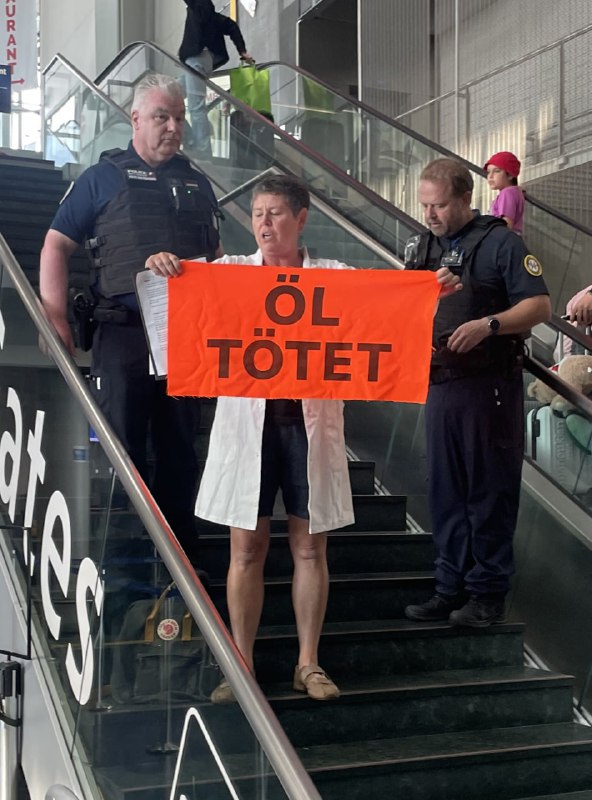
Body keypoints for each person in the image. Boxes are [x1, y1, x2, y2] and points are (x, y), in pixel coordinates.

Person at [145, 174, 460, 702]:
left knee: (310, 547)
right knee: (245, 548)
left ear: (301, 218)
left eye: (276, 213)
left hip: (307, 426)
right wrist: (162, 267)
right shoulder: (231, 275)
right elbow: (179, 300)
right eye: (258, 214)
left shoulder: (331, 277)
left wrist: (427, 290)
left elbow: (379, 305)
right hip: (250, 425)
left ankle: (308, 663)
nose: (265, 224)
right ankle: (240, 665)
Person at [39, 73, 222, 567]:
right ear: (135, 119)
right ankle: (122, 557)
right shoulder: (102, 178)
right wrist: (52, 319)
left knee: (181, 450)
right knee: (123, 448)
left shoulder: (197, 182)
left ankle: (181, 558)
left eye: (179, 118)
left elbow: (220, 260)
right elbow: (57, 244)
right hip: (123, 333)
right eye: (162, 117)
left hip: (185, 340)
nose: (173, 127)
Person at [403, 158, 551, 628]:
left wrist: (489, 325)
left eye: (440, 205)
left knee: (488, 491)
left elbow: (540, 305)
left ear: (466, 199)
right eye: (425, 204)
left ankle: (487, 594)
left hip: (490, 388)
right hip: (440, 383)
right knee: (445, 491)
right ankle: (450, 588)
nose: (430, 214)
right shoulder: (421, 246)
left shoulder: (502, 243)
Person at [179, 0, 254, 159]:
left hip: (196, 60)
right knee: (169, 94)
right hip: (206, 62)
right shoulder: (214, 17)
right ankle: (192, 141)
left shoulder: (196, 9)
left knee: (196, 108)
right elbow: (232, 26)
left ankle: (202, 153)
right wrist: (242, 51)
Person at [484, 150, 525, 234]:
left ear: (510, 175)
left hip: (503, 241)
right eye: (488, 172)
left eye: (497, 171)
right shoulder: (516, 192)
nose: (490, 176)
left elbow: (506, 224)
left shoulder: (507, 193)